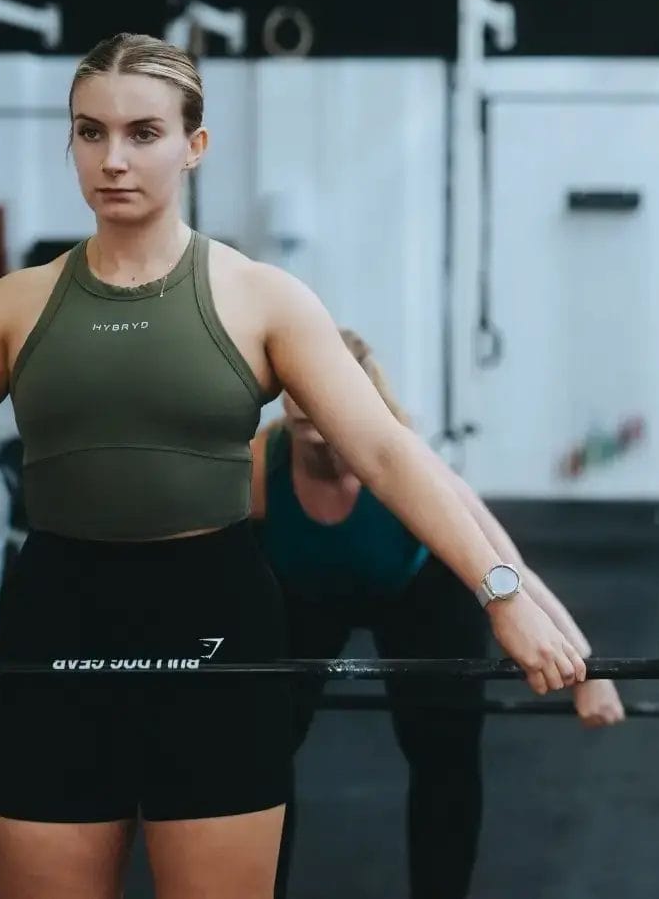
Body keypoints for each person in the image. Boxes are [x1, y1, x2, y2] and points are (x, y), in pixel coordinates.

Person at [0, 32, 586, 899]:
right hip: (57, 624)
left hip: (215, 623)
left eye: (143, 133)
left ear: (195, 146)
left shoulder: (263, 298)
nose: (113, 159)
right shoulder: (14, 306)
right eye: (90, 132)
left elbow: (384, 449)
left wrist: (504, 596)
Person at [258, 328, 626, 899]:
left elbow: (510, 566)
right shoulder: (263, 463)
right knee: (258, 749)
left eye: (322, 385)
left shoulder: (404, 458)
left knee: (443, 756)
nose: (307, 401)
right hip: (309, 593)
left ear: (355, 390)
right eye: (295, 387)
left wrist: (589, 669)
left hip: (419, 594)